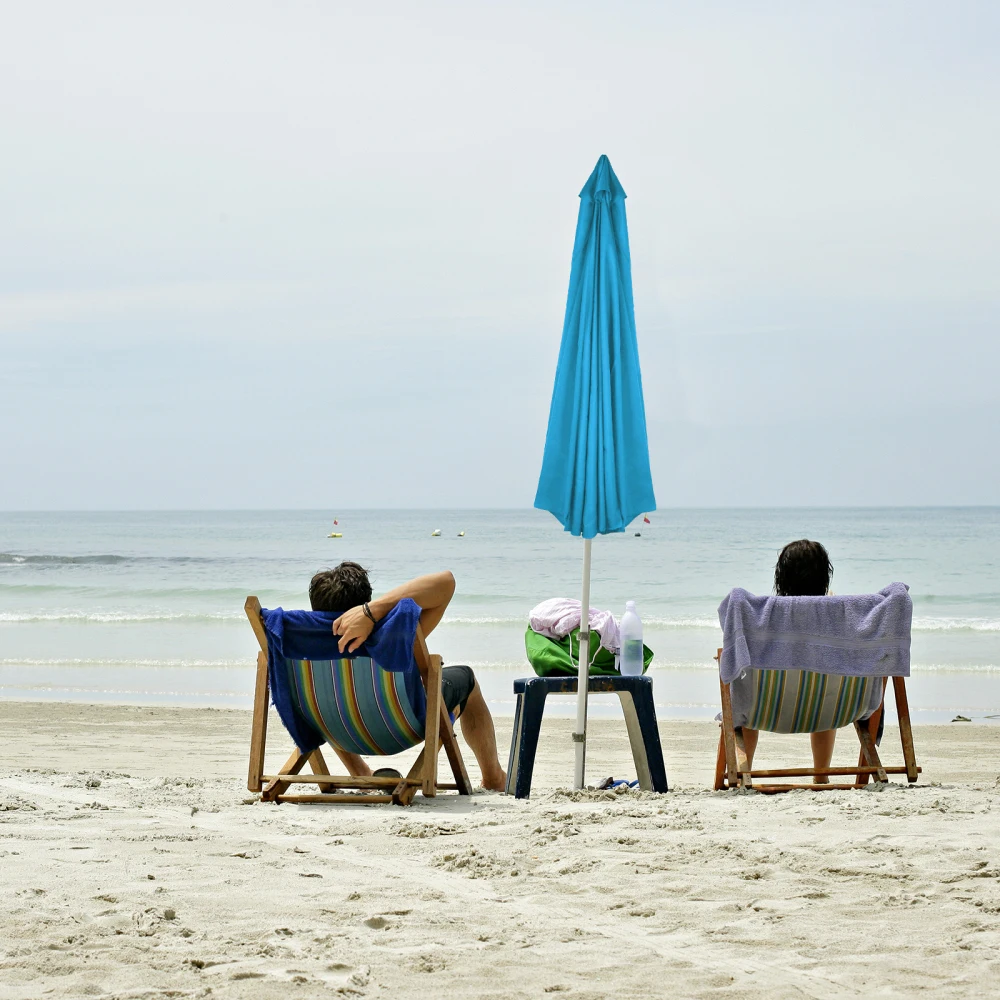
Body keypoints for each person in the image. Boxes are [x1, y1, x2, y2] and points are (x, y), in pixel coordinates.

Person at [309, 562, 506, 792]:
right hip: (405, 727)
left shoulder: (299, 642)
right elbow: (446, 582)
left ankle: (360, 772)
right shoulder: (395, 634)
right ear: (365, 601)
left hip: (335, 729)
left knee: (331, 698)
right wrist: (372, 611)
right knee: (466, 678)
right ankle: (493, 778)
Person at [740, 539, 838, 783]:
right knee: (827, 692)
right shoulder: (839, 614)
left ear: (780, 576)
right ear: (824, 577)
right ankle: (821, 775)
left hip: (764, 709)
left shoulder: (764, 615)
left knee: (745, 697)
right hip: (829, 710)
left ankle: (744, 772)